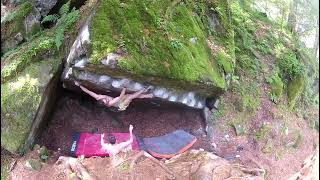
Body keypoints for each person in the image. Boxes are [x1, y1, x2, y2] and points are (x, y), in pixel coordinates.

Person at [74, 81, 153, 111]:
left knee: (132, 95)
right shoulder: (110, 103)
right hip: (120, 105)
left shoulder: (97, 97)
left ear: (100, 99)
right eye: (106, 101)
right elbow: (120, 97)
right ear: (105, 104)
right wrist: (124, 88)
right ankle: (144, 89)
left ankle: (149, 95)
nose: (106, 99)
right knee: (129, 97)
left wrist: (79, 85)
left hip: (119, 100)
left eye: (105, 99)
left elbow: (88, 91)